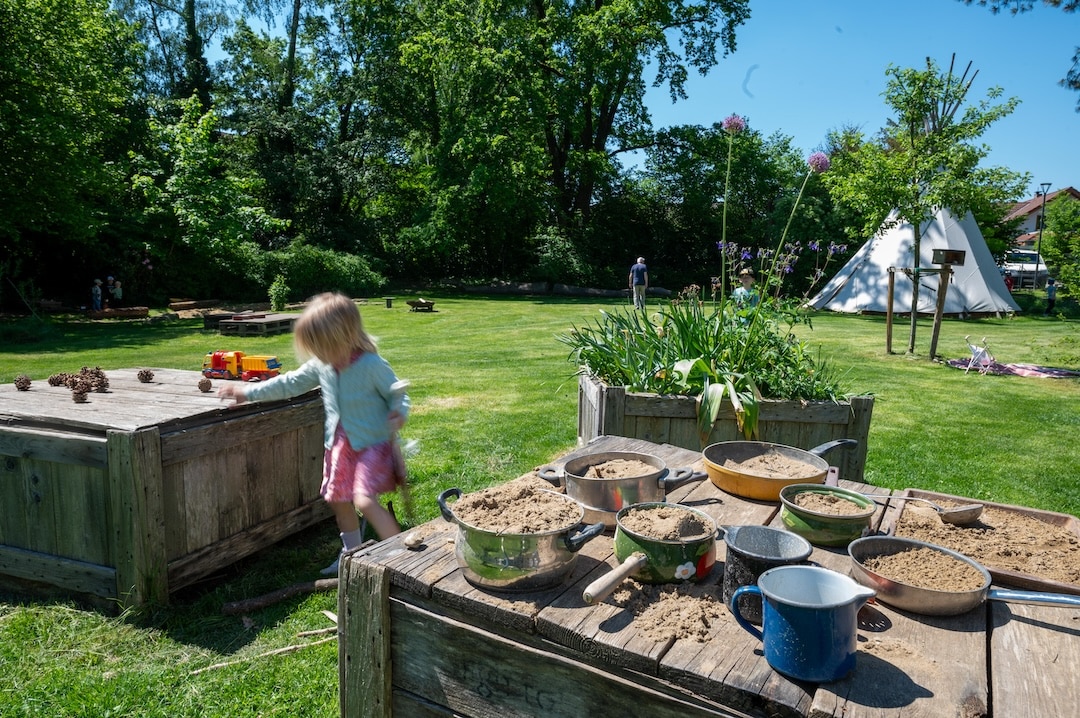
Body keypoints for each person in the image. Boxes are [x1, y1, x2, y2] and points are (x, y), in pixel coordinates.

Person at [218, 292, 410, 574]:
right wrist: (247, 392)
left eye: (321, 346)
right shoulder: (323, 364)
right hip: (340, 445)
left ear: (342, 337)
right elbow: (289, 383)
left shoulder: (370, 365)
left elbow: (397, 393)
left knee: (364, 500)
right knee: (337, 498)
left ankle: (401, 556)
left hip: (372, 445)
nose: (317, 354)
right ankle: (351, 552)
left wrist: (398, 411)